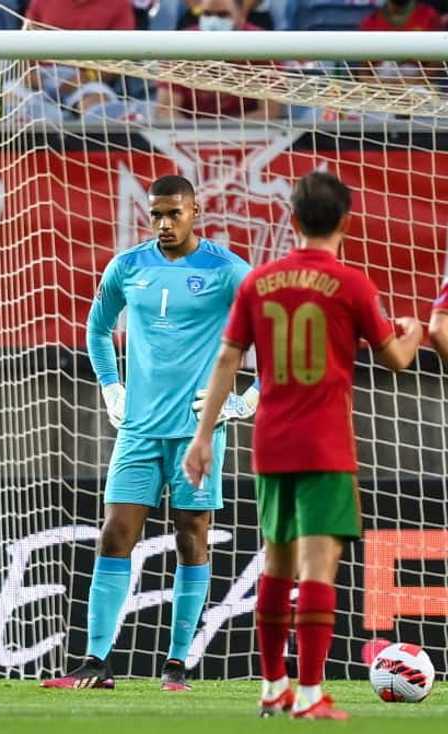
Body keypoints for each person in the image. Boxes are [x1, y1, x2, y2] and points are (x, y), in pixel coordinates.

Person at [184, 171, 422, 720]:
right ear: (346, 222)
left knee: (276, 565)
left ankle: (273, 687)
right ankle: (310, 694)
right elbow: (396, 358)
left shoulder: (259, 282)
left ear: (291, 220)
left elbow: (227, 358)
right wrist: (413, 330)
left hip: (271, 443)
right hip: (325, 446)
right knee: (317, 570)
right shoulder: (353, 284)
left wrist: (203, 435)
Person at [42, 175, 258, 693]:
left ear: (195, 212)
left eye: (173, 213)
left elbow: (272, 334)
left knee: (191, 536)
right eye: (156, 214)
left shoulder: (229, 271)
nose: (163, 223)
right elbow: (97, 329)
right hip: (137, 429)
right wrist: (111, 388)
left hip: (196, 433)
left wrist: (248, 400)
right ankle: (95, 662)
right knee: (115, 533)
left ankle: (177, 665)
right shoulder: (127, 266)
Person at [157, 0, 283, 121]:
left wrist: (227, 131)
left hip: (248, 132)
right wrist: (199, 132)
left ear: (241, 16)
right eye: (207, 14)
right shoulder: (179, 46)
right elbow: (165, 109)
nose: (213, 21)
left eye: (223, 15)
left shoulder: (262, 46)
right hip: (189, 132)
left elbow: (270, 111)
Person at [25, 0, 135, 30]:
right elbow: (27, 38)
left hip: (93, 75)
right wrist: (30, 74)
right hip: (40, 72)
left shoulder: (119, 3)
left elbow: (122, 54)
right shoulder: (41, 1)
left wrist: (89, 76)